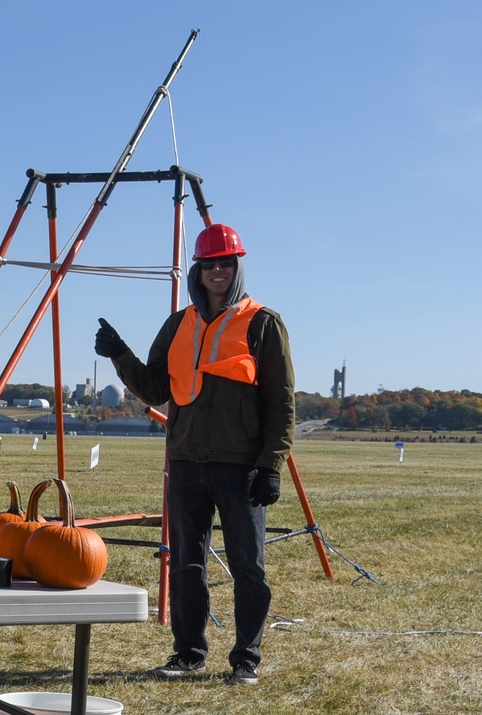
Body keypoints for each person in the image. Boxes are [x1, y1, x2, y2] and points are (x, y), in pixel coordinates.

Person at [94, 223, 295, 686]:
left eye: (226, 262)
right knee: (186, 563)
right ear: (198, 270)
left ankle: (246, 658)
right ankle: (188, 654)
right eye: (210, 264)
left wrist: (270, 465)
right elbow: (156, 388)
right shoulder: (178, 324)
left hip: (241, 468)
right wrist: (120, 354)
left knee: (249, 565)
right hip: (185, 462)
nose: (218, 270)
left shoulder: (264, 323)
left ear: (237, 266)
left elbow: (281, 402)